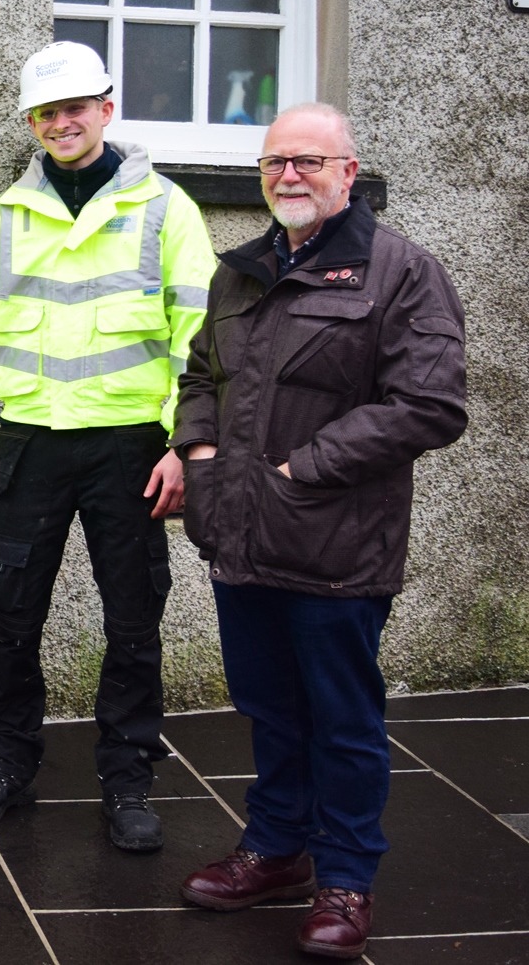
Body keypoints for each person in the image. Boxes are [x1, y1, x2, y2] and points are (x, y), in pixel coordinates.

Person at [174, 103, 466, 960]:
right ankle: (275, 848)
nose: (288, 176)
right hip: (240, 535)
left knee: (340, 715)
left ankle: (345, 875)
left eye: (306, 160)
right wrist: (197, 450)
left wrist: (304, 467)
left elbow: (430, 404)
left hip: (336, 543)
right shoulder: (243, 272)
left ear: (348, 169)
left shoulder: (400, 271)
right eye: (274, 163)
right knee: (267, 706)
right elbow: (202, 370)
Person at [0, 41, 215, 851]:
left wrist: (182, 442)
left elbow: (198, 338)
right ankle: (5, 763)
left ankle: (128, 779)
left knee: (134, 620)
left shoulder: (166, 208)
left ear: (107, 107)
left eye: (76, 107)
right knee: (11, 614)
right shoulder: (4, 215)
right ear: (33, 122)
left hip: (131, 449)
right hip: (27, 444)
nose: (62, 122)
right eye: (47, 112)